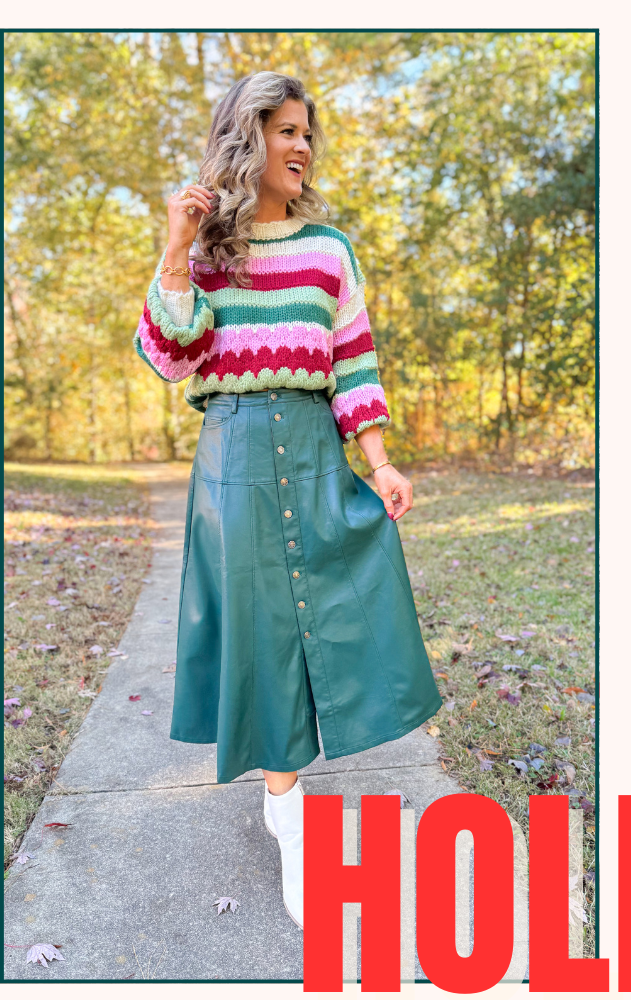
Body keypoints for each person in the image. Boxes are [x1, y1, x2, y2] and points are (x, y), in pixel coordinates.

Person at [134, 71, 441, 929]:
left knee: (346, 601)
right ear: (247, 138)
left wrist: (378, 462)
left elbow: (354, 361)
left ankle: (291, 791)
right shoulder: (206, 248)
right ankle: (290, 813)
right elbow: (170, 354)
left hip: (312, 447)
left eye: (308, 131)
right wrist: (175, 244)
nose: (302, 145)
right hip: (232, 454)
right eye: (284, 130)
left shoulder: (330, 249)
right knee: (266, 632)